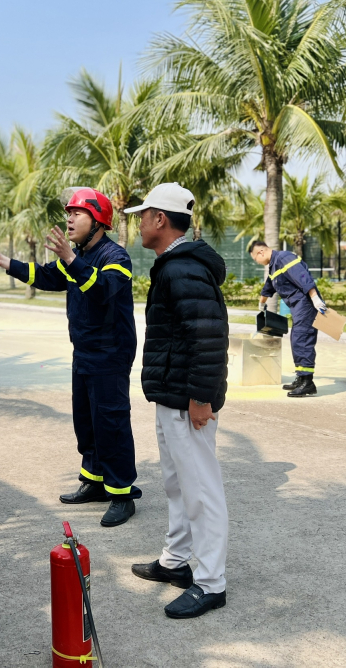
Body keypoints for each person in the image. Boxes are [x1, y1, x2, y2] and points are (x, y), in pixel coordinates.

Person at [0, 188, 140, 527]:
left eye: (77, 213)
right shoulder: (75, 256)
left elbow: (102, 289)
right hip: (85, 352)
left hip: (111, 354)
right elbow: (48, 276)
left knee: (111, 422)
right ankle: (93, 482)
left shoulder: (116, 257)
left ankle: (121, 494)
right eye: (69, 213)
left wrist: (72, 260)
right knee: (87, 422)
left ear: (99, 220)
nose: (69, 218)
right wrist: (7, 263)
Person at [124, 183, 230, 619]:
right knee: (176, 483)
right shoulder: (173, 265)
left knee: (201, 489)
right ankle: (176, 560)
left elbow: (208, 335)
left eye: (144, 215)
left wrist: (201, 397)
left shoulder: (181, 269)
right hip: (172, 396)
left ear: (160, 220)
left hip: (190, 402)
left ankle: (210, 583)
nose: (139, 223)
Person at [248, 239, 326, 397]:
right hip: (297, 306)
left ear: (261, 252)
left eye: (255, 259)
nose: (257, 262)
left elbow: (303, 278)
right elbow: (269, 285)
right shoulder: (274, 265)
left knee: (301, 339)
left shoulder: (284, 258)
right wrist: (261, 303)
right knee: (296, 339)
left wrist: (315, 298)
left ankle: (307, 382)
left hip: (306, 303)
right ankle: (301, 377)